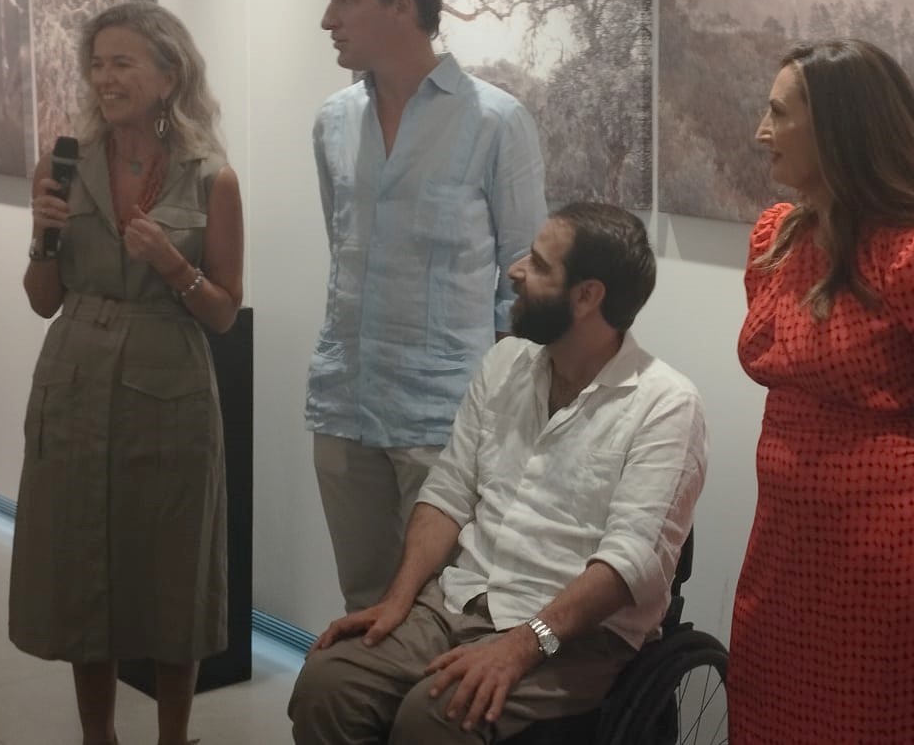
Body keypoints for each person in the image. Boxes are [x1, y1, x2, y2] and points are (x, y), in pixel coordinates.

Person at [288, 202, 706, 745]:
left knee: (435, 719)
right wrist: (398, 599)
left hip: (571, 637)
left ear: (586, 296)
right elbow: (447, 493)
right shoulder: (505, 363)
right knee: (328, 685)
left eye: (538, 264)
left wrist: (523, 644)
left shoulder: (665, 405)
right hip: (459, 601)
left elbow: (630, 564)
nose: (515, 271)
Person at [729, 39, 914, 744]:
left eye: (778, 114)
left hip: (885, 540)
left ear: (837, 128)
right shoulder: (778, 238)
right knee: (775, 710)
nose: (762, 132)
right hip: (786, 535)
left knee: (879, 721)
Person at [14, 2, 244, 745]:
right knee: (84, 564)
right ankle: (99, 737)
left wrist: (173, 266)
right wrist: (43, 236)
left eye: (122, 63)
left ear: (169, 76)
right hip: (74, 376)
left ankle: (174, 737)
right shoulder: (62, 166)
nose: (104, 78)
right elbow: (42, 300)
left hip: (169, 386)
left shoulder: (211, 178)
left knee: (173, 569)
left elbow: (223, 313)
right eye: (97, 64)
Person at [306, 0, 547, 613]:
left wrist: (505, 416)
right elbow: (344, 252)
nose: (327, 20)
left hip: (444, 417)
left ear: (402, 7)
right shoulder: (333, 122)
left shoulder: (496, 121)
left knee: (442, 613)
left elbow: (524, 280)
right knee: (362, 606)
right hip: (345, 404)